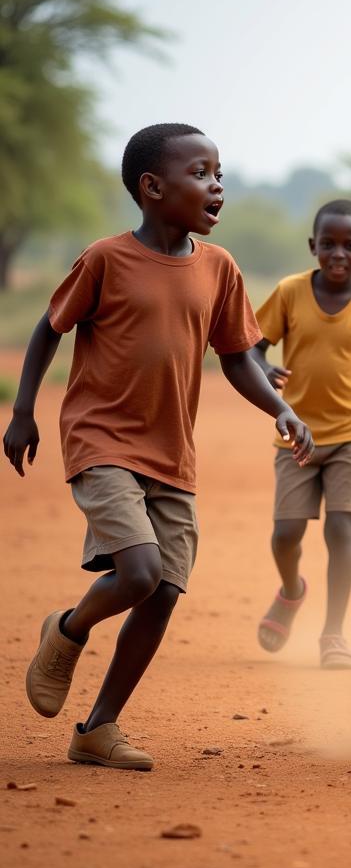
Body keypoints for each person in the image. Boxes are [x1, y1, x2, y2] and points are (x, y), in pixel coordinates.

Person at [2, 123, 313, 771]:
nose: (217, 185)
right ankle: (67, 630)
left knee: (165, 590)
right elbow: (48, 328)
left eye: (219, 173)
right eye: (201, 173)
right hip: (100, 439)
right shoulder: (105, 259)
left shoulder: (219, 268)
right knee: (139, 572)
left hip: (172, 454)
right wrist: (25, 411)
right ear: (151, 187)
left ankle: (97, 729)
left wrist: (281, 406)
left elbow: (237, 359)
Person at [251, 199, 351, 668]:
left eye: (350, 245)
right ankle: (292, 591)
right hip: (297, 434)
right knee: (285, 533)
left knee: (340, 529)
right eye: (328, 244)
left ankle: (333, 633)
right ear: (313, 246)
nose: (338, 253)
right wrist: (263, 367)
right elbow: (249, 350)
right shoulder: (289, 292)